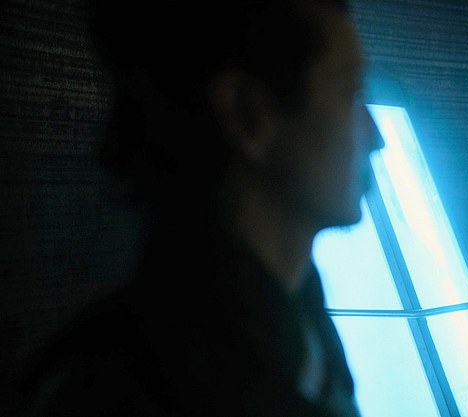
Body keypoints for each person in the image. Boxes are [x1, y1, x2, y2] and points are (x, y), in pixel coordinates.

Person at [20, 0, 382, 416]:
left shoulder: (297, 320)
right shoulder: (122, 390)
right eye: (350, 93)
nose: (376, 136)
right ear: (246, 115)